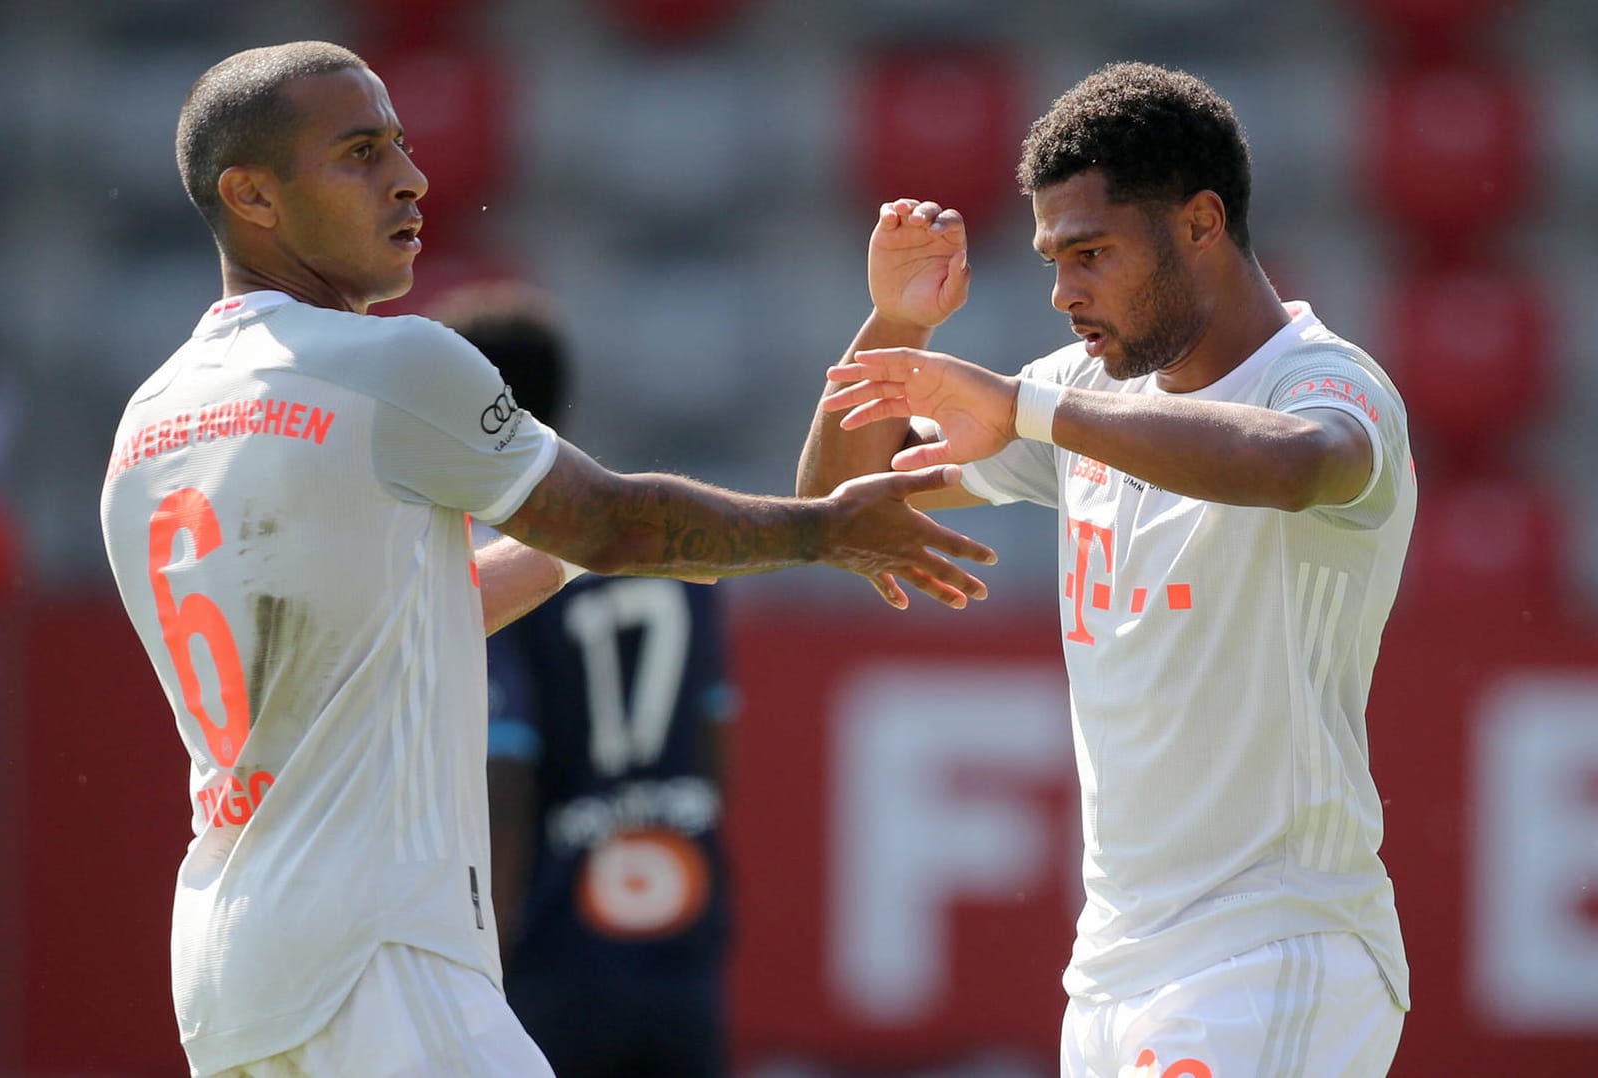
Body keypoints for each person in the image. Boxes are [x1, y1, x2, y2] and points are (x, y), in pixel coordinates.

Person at [97, 41, 994, 1078]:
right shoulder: (390, 364)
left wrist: (583, 555)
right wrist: (822, 531)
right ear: (251, 195)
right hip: (380, 958)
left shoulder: (152, 418)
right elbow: (612, 522)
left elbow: (414, 612)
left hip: (232, 967)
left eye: (400, 140)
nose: (411, 176)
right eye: (358, 152)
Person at [798, 62, 1414, 1077]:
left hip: (1273, 944)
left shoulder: (1327, 382)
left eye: (1092, 252)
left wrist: (1027, 411)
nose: (1064, 292)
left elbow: (1299, 464)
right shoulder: (1084, 390)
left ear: (1201, 223)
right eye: (1051, 258)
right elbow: (836, 504)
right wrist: (898, 324)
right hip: (1112, 974)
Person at [434, 282, 738, 1077]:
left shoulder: (493, 566)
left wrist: (482, 970)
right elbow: (711, 739)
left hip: (556, 957)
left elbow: (507, 762)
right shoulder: (657, 550)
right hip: (679, 950)